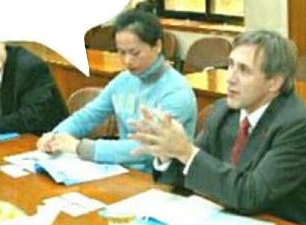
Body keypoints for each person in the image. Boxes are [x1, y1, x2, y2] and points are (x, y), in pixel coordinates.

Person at [131, 30, 306, 225]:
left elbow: (251, 195)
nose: (230, 78)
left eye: (244, 70)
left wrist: (186, 152)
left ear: (274, 82)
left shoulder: (298, 124)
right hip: (229, 220)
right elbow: (191, 173)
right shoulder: (223, 111)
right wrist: (167, 153)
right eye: (230, 65)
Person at [37, 10, 196, 171]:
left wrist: (81, 148)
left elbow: (147, 148)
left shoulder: (177, 92)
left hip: (162, 178)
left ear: (157, 46)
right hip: (123, 172)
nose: (127, 61)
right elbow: (88, 115)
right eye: (121, 52)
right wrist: (56, 136)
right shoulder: (123, 80)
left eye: (135, 53)